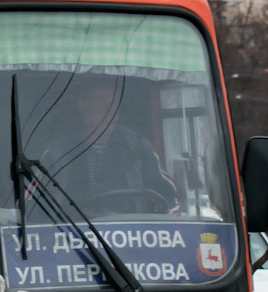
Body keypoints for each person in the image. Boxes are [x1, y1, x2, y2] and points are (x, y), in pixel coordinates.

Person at [40, 72, 178, 215]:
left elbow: (171, 201)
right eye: (100, 101)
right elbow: (29, 206)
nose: (110, 109)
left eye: (114, 102)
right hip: (73, 233)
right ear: (82, 104)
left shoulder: (139, 147)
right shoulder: (56, 152)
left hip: (129, 233)